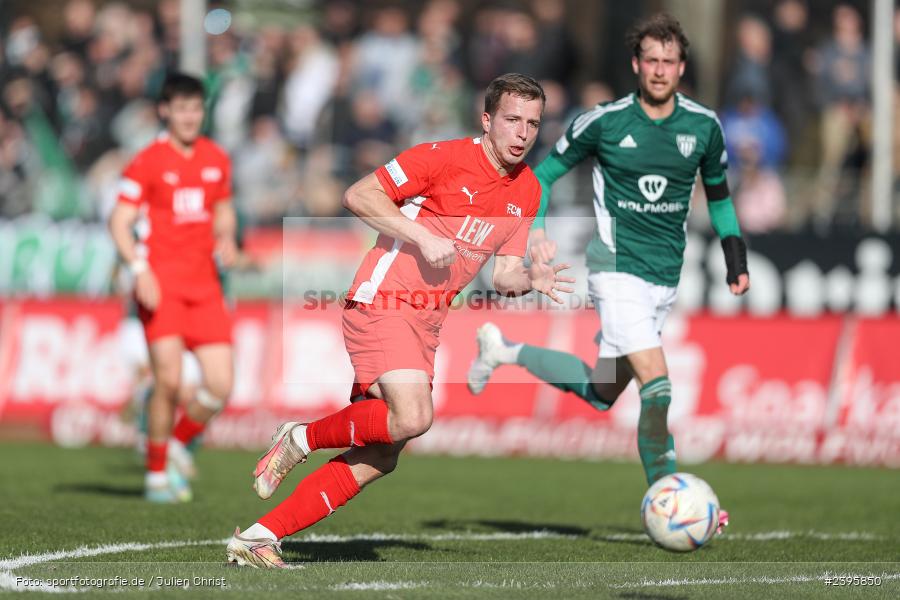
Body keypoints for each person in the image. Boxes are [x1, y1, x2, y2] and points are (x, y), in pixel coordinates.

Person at [225, 73, 573, 568]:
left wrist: (530, 280)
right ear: (487, 119)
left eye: (533, 123)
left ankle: (260, 537)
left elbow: (505, 274)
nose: (522, 133)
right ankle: (300, 437)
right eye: (512, 119)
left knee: (383, 453)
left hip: (428, 322)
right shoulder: (441, 157)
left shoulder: (528, 190)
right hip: (384, 300)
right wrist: (421, 235)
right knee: (413, 417)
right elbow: (359, 195)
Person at [467, 14, 750, 531]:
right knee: (658, 386)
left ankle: (504, 351)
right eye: (652, 60)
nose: (660, 70)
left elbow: (720, 196)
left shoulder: (703, 126)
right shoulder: (604, 122)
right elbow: (541, 176)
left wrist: (736, 257)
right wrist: (534, 231)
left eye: (669, 61)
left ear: (681, 67)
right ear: (636, 64)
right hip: (615, 270)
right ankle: (674, 499)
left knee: (603, 391)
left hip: (665, 277)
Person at [108, 73, 238, 503]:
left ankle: (179, 442)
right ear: (166, 110)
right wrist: (139, 269)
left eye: (196, 108)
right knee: (168, 381)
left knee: (220, 386)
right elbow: (119, 222)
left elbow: (223, 208)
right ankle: (156, 475)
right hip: (161, 288)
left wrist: (227, 238)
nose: (189, 116)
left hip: (204, 288)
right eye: (181, 108)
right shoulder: (146, 161)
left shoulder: (216, 157)